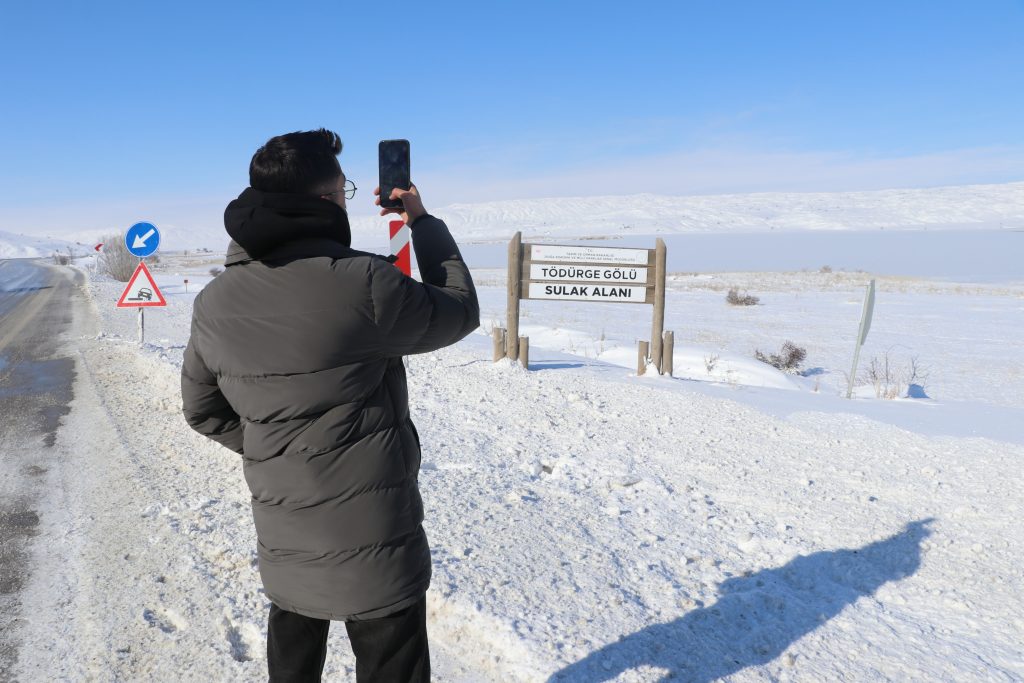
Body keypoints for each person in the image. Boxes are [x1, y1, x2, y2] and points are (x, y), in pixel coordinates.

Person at [180, 128, 479, 682]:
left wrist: (275, 448)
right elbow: (460, 309)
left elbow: (202, 409)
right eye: (344, 189)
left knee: (292, 661)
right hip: (378, 544)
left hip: (285, 539)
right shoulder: (364, 283)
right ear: (326, 199)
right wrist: (421, 221)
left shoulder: (213, 301)